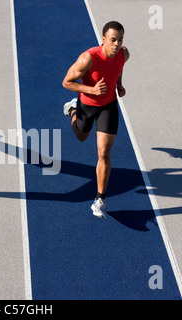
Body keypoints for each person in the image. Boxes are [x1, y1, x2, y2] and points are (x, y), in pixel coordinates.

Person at [62, 21, 130, 218]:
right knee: (81, 136)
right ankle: (73, 108)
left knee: (103, 152)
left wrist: (119, 84)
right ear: (103, 39)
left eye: (120, 40)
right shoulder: (88, 58)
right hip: (87, 104)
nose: (116, 44)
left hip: (108, 106)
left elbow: (119, 66)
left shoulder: (123, 54)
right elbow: (67, 82)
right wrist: (90, 90)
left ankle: (99, 200)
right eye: (113, 40)